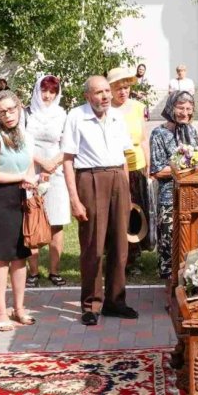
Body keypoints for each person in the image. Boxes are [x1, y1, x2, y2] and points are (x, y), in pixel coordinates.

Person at [61, 75, 137, 326]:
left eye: (107, 91)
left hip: (117, 177)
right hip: (90, 179)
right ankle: (91, 304)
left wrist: (126, 192)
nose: (105, 96)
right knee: (93, 245)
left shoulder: (117, 116)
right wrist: (74, 198)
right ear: (87, 96)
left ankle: (116, 301)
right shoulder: (76, 116)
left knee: (120, 245)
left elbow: (124, 158)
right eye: (98, 92)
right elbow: (68, 160)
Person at [0, 91, 38, 331]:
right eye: (2, 111)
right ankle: (0, 312)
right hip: (0, 200)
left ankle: (20, 308)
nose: (8, 115)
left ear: (19, 107)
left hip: (22, 199)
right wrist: (21, 178)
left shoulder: (27, 134)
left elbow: (31, 166)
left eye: (11, 110)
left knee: (20, 257)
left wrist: (33, 186)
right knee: (1, 258)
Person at [25, 74, 70, 288]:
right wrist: (41, 163)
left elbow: (68, 144)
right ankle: (33, 272)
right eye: (44, 90)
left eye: (52, 91)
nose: (48, 95)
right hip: (32, 169)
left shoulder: (62, 114)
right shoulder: (27, 114)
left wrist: (52, 165)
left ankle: (54, 270)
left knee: (56, 223)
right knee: (32, 219)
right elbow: (22, 144)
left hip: (56, 171)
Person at [148, 91, 198, 279]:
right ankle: (169, 291)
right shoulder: (159, 133)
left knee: (191, 241)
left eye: (188, 108)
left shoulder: (191, 131)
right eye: (180, 108)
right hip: (169, 197)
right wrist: (184, 166)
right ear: (170, 108)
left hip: (192, 197)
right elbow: (157, 171)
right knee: (169, 243)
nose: (185, 112)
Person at [108, 67, 151, 274]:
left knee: (136, 212)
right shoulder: (106, 109)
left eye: (126, 87)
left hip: (137, 166)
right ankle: (116, 255)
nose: (123, 92)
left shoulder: (137, 107)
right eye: (118, 88)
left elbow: (143, 139)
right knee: (117, 211)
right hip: (115, 166)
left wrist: (148, 168)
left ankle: (135, 257)